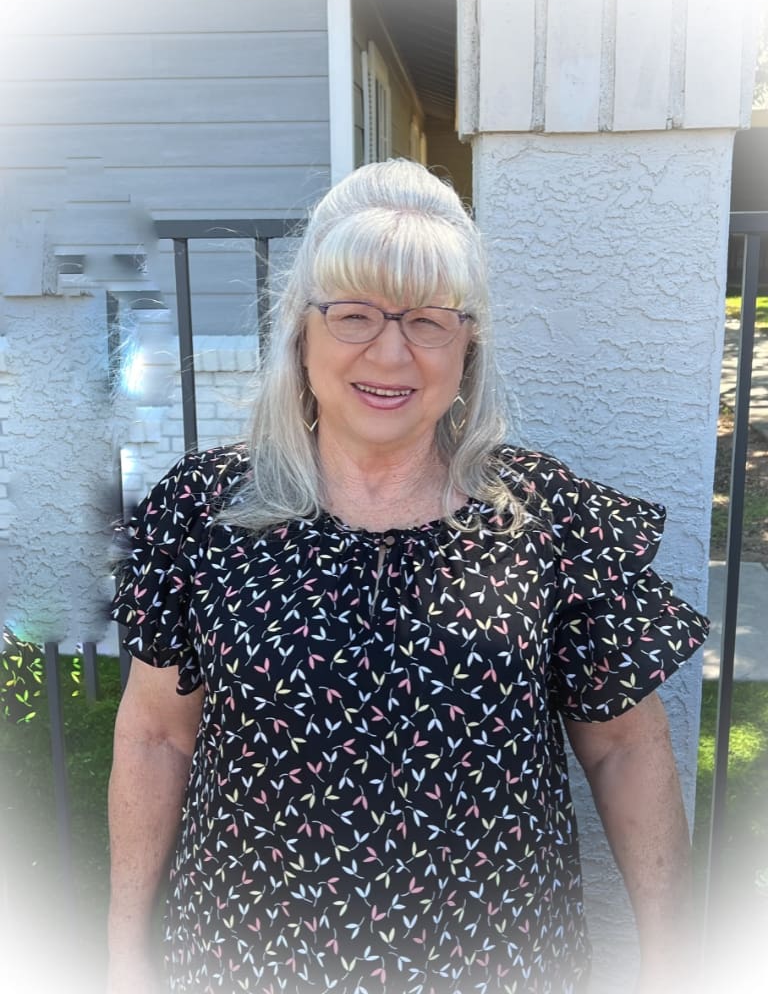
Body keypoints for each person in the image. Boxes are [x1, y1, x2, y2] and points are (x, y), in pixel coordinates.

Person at [107, 158, 709, 994]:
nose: (391, 352)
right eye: (353, 314)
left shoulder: (549, 520)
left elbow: (625, 749)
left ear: (467, 343)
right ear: (302, 332)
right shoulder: (203, 512)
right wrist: (122, 943)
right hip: (244, 959)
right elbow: (156, 736)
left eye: (428, 320)